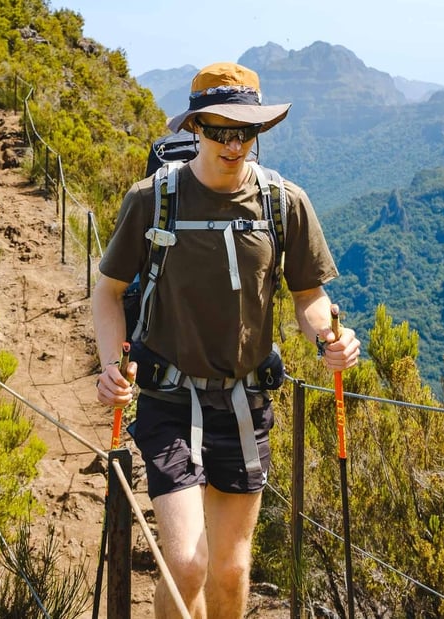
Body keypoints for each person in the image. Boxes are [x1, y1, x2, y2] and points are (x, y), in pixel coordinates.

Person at [92, 62, 361, 619]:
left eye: (247, 131)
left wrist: (328, 340)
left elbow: (308, 294)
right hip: (168, 397)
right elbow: (109, 291)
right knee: (187, 564)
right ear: (195, 127)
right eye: (220, 129)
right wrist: (110, 367)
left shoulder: (285, 203)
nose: (235, 144)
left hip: (245, 401)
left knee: (231, 569)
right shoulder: (153, 200)